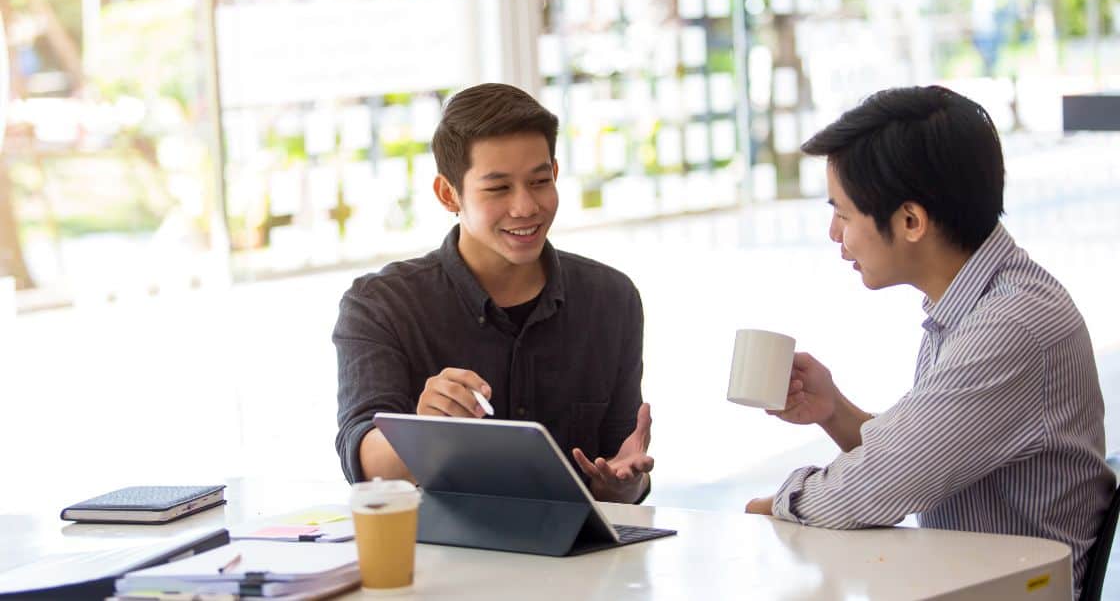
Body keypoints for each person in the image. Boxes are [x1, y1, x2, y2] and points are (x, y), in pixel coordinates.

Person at [743, 85, 1112, 595]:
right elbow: (923, 458)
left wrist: (783, 502)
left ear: (911, 221)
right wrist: (835, 411)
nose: (834, 234)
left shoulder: (1011, 325)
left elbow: (882, 483)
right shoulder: (973, 303)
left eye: (844, 213)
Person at [333, 83, 653, 504]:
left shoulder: (611, 299)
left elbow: (618, 465)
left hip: (579, 560)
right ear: (449, 194)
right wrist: (425, 432)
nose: (525, 207)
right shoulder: (380, 305)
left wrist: (625, 484)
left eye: (539, 181)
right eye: (498, 188)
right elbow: (362, 460)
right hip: (443, 559)